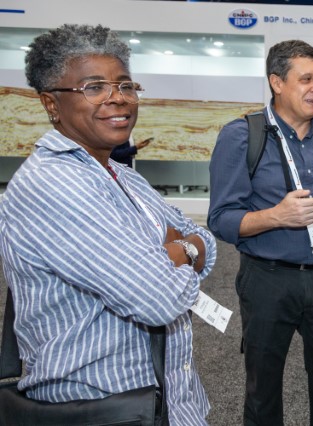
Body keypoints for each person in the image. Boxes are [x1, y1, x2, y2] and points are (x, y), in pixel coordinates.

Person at [0, 24, 216, 425]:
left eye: (125, 85)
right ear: (51, 103)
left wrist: (179, 250)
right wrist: (181, 251)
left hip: (169, 401)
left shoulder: (122, 176)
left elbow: (206, 240)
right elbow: (158, 298)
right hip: (99, 407)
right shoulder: (54, 184)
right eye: (94, 87)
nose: (117, 98)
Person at [208, 39, 313, 425]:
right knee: (262, 392)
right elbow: (220, 219)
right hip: (268, 281)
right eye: (306, 79)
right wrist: (276, 216)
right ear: (277, 83)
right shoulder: (241, 136)